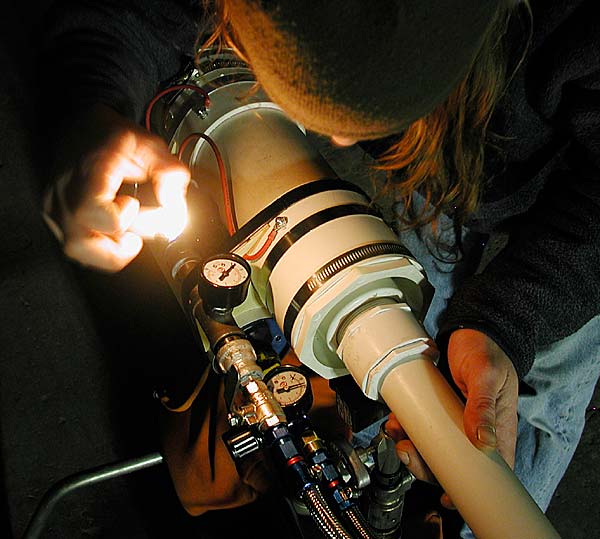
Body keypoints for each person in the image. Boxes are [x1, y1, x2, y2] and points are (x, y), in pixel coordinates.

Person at [39, 0, 600, 536]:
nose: (340, 141)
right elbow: (137, 14)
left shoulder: (575, 28)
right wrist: (93, 102)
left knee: (533, 405)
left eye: (369, 105)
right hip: (435, 157)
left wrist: (510, 319)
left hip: (571, 192)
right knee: (421, 334)